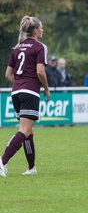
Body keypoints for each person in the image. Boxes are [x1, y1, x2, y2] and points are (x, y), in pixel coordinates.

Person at [0, 16, 50, 178]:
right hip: (29, 92)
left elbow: (8, 74)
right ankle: (2, 161)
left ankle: (31, 168)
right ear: (35, 31)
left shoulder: (17, 47)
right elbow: (40, 71)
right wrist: (46, 89)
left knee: (28, 132)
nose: (42, 31)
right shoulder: (39, 47)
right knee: (24, 130)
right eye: (41, 28)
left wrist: (20, 83)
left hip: (16, 92)